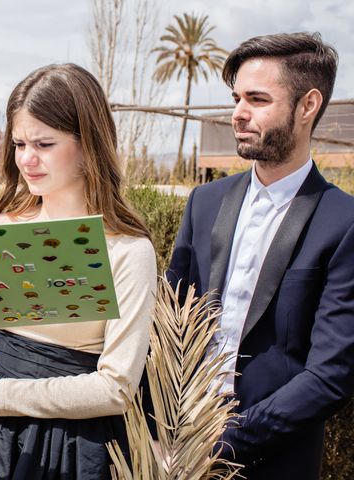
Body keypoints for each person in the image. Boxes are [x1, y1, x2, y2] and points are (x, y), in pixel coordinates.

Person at [0, 63, 157, 480]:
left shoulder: (129, 251)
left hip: (73, 454)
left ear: (88, 144)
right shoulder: (0, 231)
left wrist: (0, 395)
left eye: (44, 143)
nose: (26, 159)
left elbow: (115, 388)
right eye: (19, 143)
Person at [167, 32, 354, 479]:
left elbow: (329, 376)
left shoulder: (344, 222)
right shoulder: (203, 203)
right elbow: (169, 318)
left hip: (274, 460)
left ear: (307, 106)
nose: (238, 114)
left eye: (257, 99)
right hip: (170, 448)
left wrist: (220, 444)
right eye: (236, 98)